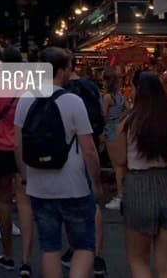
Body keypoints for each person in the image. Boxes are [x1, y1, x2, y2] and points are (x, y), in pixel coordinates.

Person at [15, 47, 102, 278]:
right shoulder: (73, 101)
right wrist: (96, 183)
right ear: (62, 70)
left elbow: (18, 146)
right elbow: (90, 150)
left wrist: (26, 177)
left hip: (39, 187)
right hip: (74, 186)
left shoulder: (25, 99)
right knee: (84, 246)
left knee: (49, 248)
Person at [112, 71, 167, 278]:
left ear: (138, 92)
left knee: (138, 260)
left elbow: (119, 160)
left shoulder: (127, 122)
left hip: (138, 186)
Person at [0, 45, 33, 276]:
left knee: (1, 201)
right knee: (24, 201)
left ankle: (8, 255)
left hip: (1, 147)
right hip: (23, 148)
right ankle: (26, 260)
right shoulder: (29, 87)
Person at [64, 52, 107, 277]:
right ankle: (95, 255)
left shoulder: (57, 91)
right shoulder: (90, 87)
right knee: (91, 201)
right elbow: (100, 114)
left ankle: (78, 249)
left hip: (66, 153)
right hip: (89, 143)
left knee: (71, 202)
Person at [102, 68, 127, 210]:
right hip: (121, 130)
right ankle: (124, 193)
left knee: (116, 166)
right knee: (123, 164)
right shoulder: (120, 95)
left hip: (111, 131)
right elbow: (128, 109)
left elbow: (104, 115)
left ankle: (120, 196)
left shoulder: (107, 97)